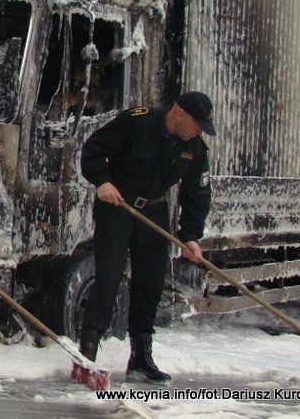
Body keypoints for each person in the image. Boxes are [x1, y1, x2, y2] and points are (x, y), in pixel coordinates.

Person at [79, 91, 215, 385]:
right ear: (180, 113)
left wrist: (190, 236)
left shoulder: (195, 147)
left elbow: (197, 194)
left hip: (154, 214)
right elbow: (93, 149)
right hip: (117, 207)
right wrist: (102, 181)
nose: (199, 131)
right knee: (109, 279)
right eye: (197, 124)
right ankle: (86, 355)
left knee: (150, 285)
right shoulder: (136, 122)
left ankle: (141, 358)